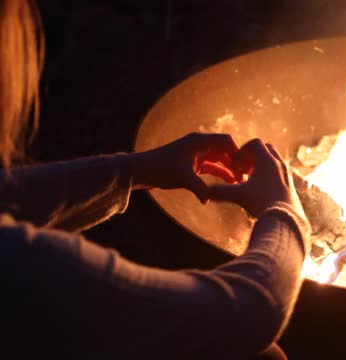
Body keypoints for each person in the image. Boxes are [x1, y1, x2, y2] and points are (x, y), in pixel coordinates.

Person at [0, 1, 310, 359]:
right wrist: (285, 214)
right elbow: (247, 314)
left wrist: (134, 171)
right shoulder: (23, 268)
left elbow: (9, 197)